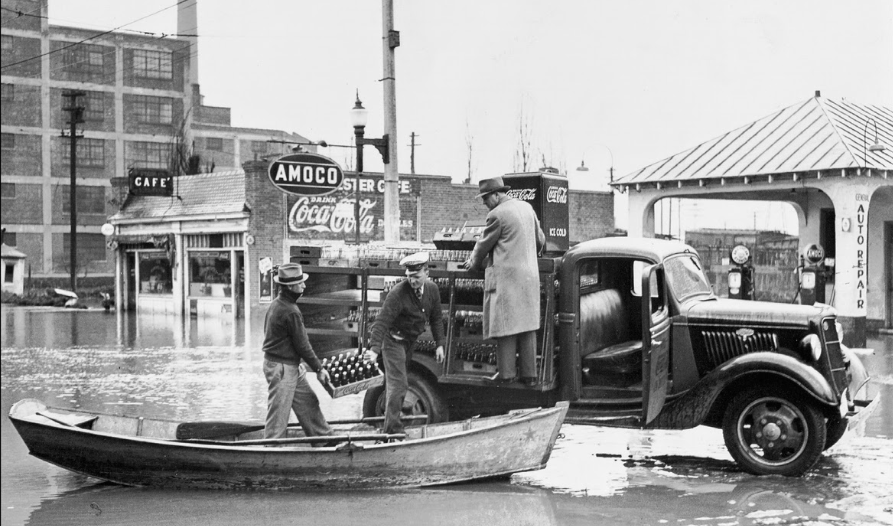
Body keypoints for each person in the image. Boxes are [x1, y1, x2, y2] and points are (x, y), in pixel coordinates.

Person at [463, 176, 545, 386]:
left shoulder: (497, 215)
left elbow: (482, 246)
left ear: (497, 195)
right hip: (530, 278)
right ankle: (530, 375)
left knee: (505, 325)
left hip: (507, 280)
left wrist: (472, 265)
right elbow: (540, 240)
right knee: (527, 325)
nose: (484, 204)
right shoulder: (527, 208)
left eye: (485, 199)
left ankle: (506, 374)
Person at [364, 252, 445, 435]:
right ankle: (392, 431)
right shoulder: (398, 293)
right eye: (409, 277)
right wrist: (374, 350)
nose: (412, 281)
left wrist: (440, 343)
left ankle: (388, 419)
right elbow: (382, 322)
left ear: (427, 273)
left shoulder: (432, 290)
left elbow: (437, 318)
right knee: (399, 384)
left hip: (409, 342)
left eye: (416, 277)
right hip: (393, 342)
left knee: (399, 382)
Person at [261, 262, 334, 440]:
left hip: (289, 366)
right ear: (291, 287)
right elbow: (303, 345)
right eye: (301, 283)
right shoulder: (290, 311)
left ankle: (323, 440)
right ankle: (271, 453)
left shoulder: (276, 304)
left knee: (309, 403)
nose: (304, 286)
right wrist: (319, 368)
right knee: (278, 417)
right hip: (282, 368)